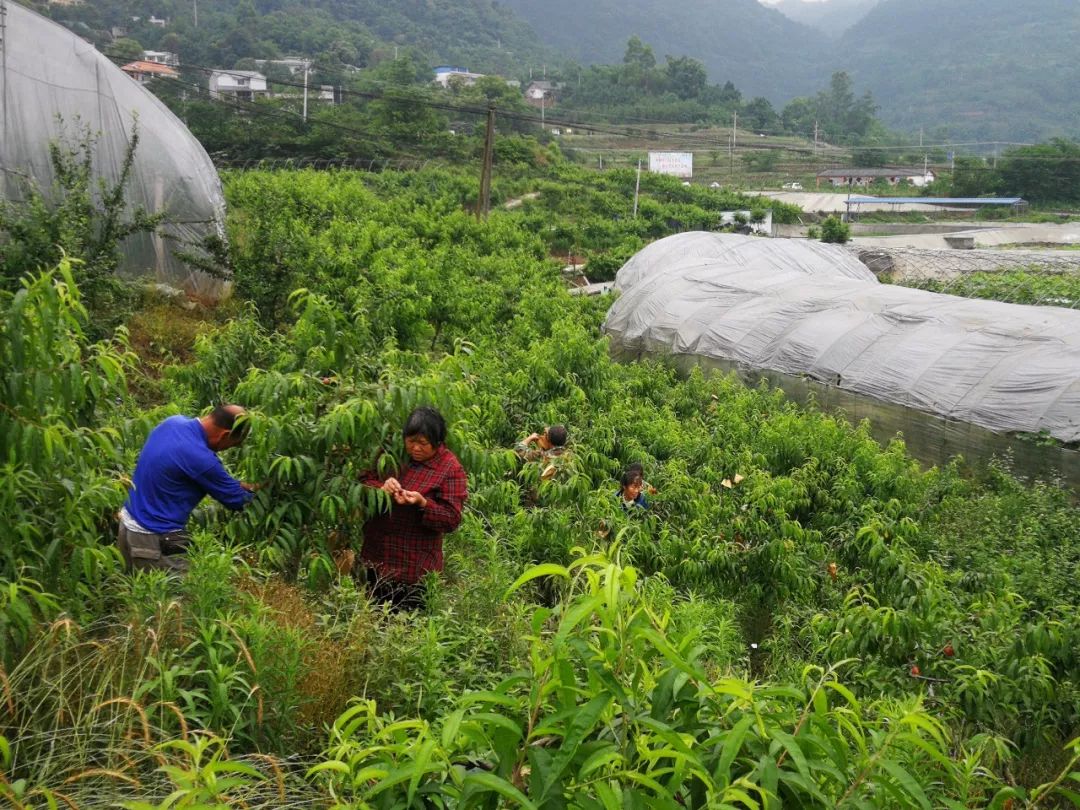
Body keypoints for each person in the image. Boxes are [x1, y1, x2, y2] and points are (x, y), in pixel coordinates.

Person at [117, 405, 255, 574]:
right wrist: (269, 489)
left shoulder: (172, 423)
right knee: (175, 597)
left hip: (127, 526)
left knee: (135, 592)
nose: (228, 448)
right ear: (225, 435)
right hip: (154, 540)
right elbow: (239, 500)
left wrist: (239, 485)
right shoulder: (201, 459)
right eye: (233, 444)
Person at [358, 406, 468, 611]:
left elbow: (452, 518)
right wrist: (381, 488)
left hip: (413, 569)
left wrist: (423, 503)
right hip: (376, 557)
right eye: (411, 442)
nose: (416, 448)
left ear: (437, 443)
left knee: (405, 629)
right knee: (369, 618)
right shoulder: (391, 454)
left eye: (423, 444)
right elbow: (363, 480)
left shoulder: (450, 468)